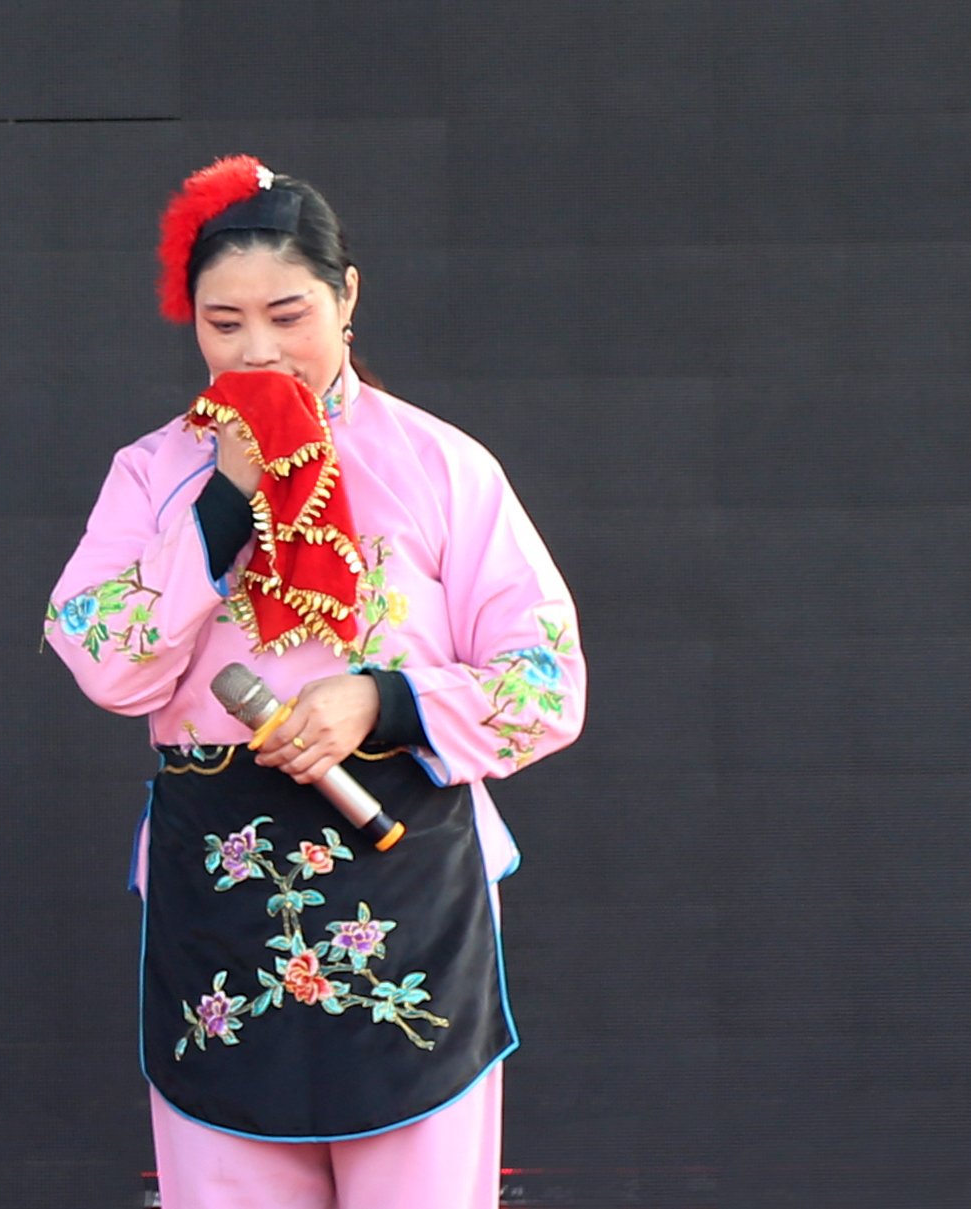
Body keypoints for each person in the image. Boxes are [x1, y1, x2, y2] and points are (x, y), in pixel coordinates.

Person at [44, 157, 587, 1209]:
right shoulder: (153, 473)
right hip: (220, 888)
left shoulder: (439, 466)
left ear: (346, 299)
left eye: (287, 315)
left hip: (407, 876)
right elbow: (101, 660)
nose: (257, 349)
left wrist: (383, 699)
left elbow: (545, 682)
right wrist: (221, 503)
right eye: (223, 323)